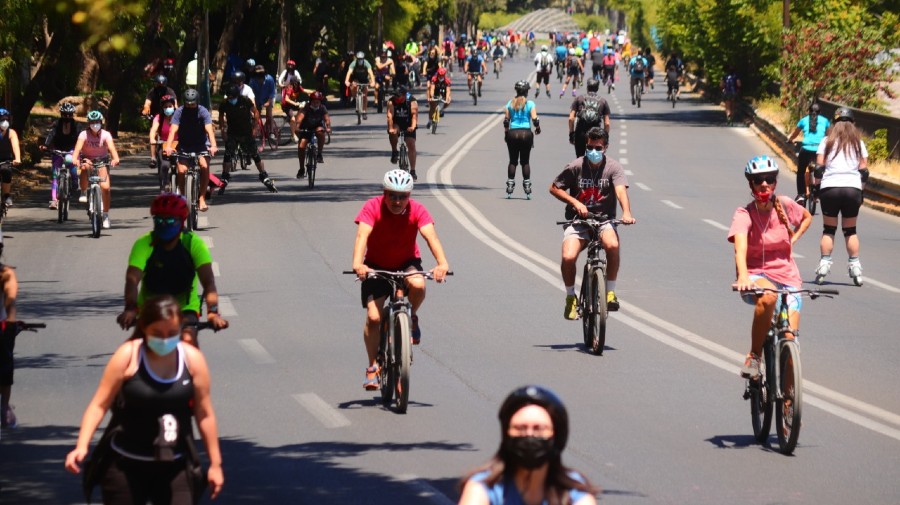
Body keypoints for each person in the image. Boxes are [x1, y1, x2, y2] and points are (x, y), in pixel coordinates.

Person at [66, 295, 224, 503]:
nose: (165, 340)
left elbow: (204, 414)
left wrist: (215, 463)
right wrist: (81, 445)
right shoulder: (128, 356)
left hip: (175, 464)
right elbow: (99, 404)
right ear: (144, 328)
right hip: (126, 464)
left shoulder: (192, 360)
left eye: (172, 333)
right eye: (158, 333)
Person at [351, 169, 450, 390]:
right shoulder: (372, 207)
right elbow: (362, 236)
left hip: (407, 262)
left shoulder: (418, 210)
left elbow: (430, 236)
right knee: (374, 318)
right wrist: (359, 264)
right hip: (376, 266)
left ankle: (411, 316)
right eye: (392, 195)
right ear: (384, 194)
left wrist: (442, 263)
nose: (397, 201)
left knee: (418, 284)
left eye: (402, 196)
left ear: (409, 196)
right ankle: (372, 366)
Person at [728, 156, 812, 378]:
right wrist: (744, 275)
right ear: (751, 184)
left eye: (769, 179)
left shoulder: (784, 204)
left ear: (775, 182)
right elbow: (740, 247)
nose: (764, 184)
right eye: (758, 180)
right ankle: (754, 356)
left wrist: (793, 240)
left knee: (791, 340)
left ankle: (788, 403)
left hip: (788, 277)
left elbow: (806, 217)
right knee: (768, 297)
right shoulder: (744, 214)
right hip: (756, 275)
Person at [116, 193, 229, 347]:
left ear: (181, 221)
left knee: (189, 342)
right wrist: (130, 309)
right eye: (159, 220)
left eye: (169, 220)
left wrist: (213, 313)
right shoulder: (144, 243)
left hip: (185, 309)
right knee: (132, 348)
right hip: (150, 308)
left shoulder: (193, 244)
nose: (164, 224)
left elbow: (209, 283)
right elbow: (132, 280)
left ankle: (193, 371)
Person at [458, 385, 599, 505]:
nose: (529, 435)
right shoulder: (484, 487)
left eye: (538, 429)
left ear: (556, 436)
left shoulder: (573, 490)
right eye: (520, 428)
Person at [550, 127, 635, 319]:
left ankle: (610, 292)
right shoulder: (576, 166)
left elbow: (621, 191)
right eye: (590, 147)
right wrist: (575, 202)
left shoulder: (613, 167)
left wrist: (627, 213)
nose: (593, 152)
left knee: (612, 245)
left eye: (598, 148)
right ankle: (571, 298)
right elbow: (554, 188)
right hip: (578, 221)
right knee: (569, 257)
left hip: (604, 220)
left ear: (605, 147)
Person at [813, 107, 869, 286]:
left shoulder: (826, 141)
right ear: (852, 124)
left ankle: (824, 265)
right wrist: (861, 191)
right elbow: (864, 171)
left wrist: (815, 189)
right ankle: (855, 267)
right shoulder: (858, 143)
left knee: (829, 230)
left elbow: (819, 168)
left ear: (835, 123)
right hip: (852, 188)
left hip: (830, 188)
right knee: (850, 231)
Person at [164, 89, 218, 212]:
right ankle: (183, 197)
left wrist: (213, 145)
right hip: (184, 145)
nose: (190, 106)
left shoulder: (202, 111)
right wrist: (168, 146)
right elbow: (173, 130)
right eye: (188, 103)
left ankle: (202, 198)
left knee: (204, 166)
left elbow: (209, 130)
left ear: (197, 102)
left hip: (201, 145)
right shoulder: (179, 112)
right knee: (182, 171)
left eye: (192, 103)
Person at [217, 83, 276, 194]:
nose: (231, 99)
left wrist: (255, 127)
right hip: (232, 133)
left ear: (237, 96)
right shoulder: (224, 104)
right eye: (229, 97)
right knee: (228, 154)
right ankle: (225, 176)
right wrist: (223, 130)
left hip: (246, 132)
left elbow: (256, 112)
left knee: (254, 154)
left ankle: (263, 175)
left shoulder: (245, 101)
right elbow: (220, 116)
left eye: (232, 97)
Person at [72, 110, 120, 229]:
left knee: (106, 188)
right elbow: (77, 149)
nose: (95, 124)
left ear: (101, 122)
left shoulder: (106, 134)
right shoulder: (83, 134)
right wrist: (75, 159)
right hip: (87, 159)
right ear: (88, 123)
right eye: (92, 122)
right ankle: (83, 191)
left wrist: (115, 159)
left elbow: (112, 149)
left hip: (102, 161)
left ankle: (105, 215)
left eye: (97, 122)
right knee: (84, 167)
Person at [787, 103, 830, 205]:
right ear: (820, 112)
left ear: (808, 111)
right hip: (819, 150)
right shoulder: (825, 121)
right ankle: (816, 193)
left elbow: (795, 133)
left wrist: (790, 139)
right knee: (821, 170)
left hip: (806, 149)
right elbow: (829, 135)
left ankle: (801, 194)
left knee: (801, 172)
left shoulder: (803, 120)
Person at [503, 81, 541, 199]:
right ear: (526, 91)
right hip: (526, 133)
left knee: (513, 161)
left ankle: (510, 185)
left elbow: (506, 121)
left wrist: (506, 134)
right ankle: (527, 186)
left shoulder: (510, 103)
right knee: (525, 161)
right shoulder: (530, 104)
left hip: (513, 133)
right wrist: (538, 128)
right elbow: (535, 119)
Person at [40, 102, 80, 209]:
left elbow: (80, 139)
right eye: (64, 115)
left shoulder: (76, 126)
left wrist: (79, 150)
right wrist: (46, 145)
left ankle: (75, 181)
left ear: (72, 115)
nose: (67, 117)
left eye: (69, 115)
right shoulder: (57, 124)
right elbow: (51, 135)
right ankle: (54, 200)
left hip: (71, 150)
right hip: (58, 150)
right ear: (61, 114)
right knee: (55, 175)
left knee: (70, 162)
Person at [0, 241, 19, 428]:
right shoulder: (7, 274)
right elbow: (10, 304)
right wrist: (11, 328)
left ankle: (5, 407)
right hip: (2, 326)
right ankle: (4, 407)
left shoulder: (6, 274)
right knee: (5, 365)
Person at [569, 79, 611, 158]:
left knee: (580, 158)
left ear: (587, 87)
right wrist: (605, 138)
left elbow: (571, 118)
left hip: (580, 133)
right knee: (594, 160)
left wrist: (571, 134)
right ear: (597, 88)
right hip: (595, 135)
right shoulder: (603, 101)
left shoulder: (579, 99)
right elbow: (607, 123)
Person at [294, 91, 332, 178]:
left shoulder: (322, 108)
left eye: (318, 102)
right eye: (314, 101)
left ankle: (319, 154)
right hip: (306, 129)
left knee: (320, 131)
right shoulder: (306, 108)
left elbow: (327, 119)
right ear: (310, 101)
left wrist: (328, 127)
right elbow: (299, 119)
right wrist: (297, 127)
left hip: (317, 128)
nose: (316, 103)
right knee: (301, 146)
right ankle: (301, 169)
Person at [386, 86, 419, 180]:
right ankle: (394, 151)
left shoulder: (412, 101)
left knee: (411, 144)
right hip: (397, 122)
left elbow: (414, 115)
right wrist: (391, 129)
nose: (396, 98)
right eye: (395, 96)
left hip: (408, 122)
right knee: (393, 132)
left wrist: (413, 127)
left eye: (398, 96)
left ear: (404, 95)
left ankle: (412, 171)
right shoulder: (391, 101)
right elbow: (389, 116)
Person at [148, 95, 178, 191]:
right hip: (164, 144)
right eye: (165, 107)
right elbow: (153, 130)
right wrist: (152, 138)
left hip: (178, 144)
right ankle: (163, 187)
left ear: (174, 106)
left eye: (170, 106)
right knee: (164, 165)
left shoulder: (179, 116)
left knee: (182, 167)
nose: (168, 109)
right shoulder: (159, 117)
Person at [249, 65, 277, 142]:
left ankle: (271, 132)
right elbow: (251, 93)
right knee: (256, 114)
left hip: (269, 98)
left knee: (269, 113)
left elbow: (272, 92)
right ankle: (257, 129)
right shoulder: (252, 81)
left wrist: (268, 102)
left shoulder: (270, 79)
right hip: (257, 99)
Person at [0, 109, 22, 207]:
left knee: (6, 171)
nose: (4, 122)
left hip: (5, 160)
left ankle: (6, 195)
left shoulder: (11, 133)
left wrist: (17, 158)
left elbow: (15, 146)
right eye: (2, 119)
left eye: (6, 119)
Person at [344, 51, 375, 120]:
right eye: (358, 59)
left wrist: (373, 82)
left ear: (363, 58)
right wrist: (346, 81)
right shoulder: (353, 63)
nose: (360, 60)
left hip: (365, 79)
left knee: (365, 95)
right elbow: (349, 72)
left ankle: (364, 111)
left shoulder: (367, 63)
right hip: (356, 79)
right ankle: (355, 97)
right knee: (353, 86)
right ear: (356, 58)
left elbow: (371, 73)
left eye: (361, 59)